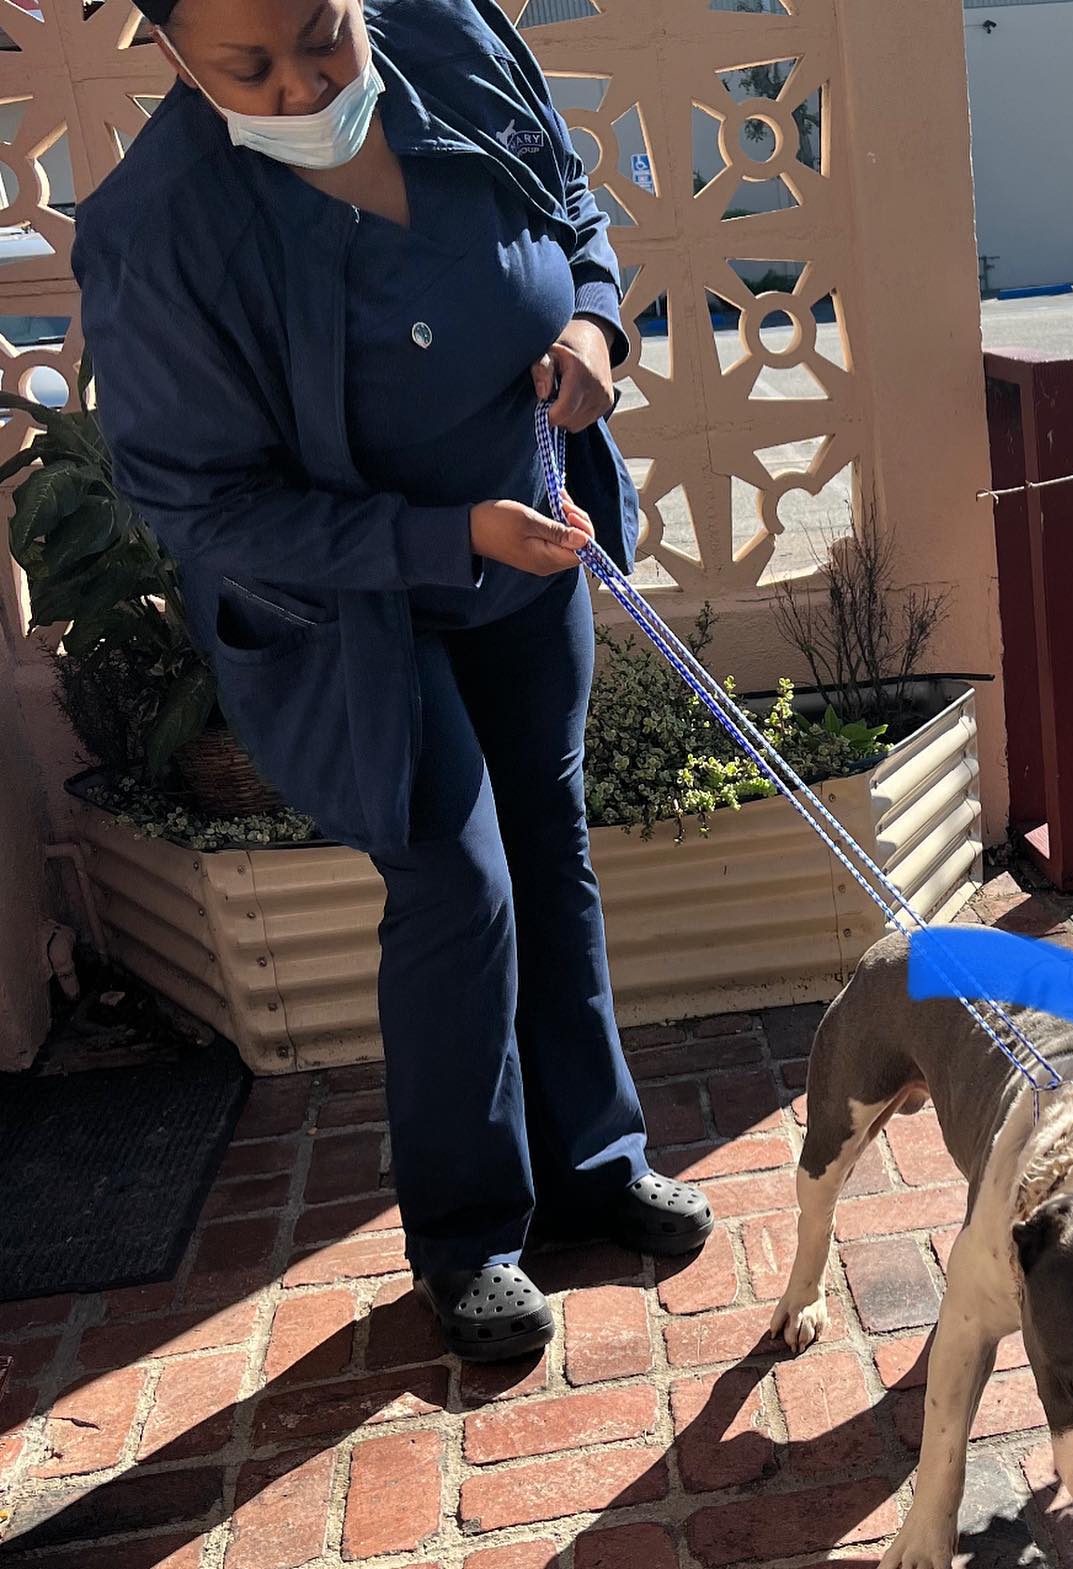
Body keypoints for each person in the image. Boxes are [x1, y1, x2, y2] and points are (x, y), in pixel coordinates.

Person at [72, 0, 711, 1363]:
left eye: (325, 31)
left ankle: (594, 1161)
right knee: (455, 876)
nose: (308, 80)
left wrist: (594, 330)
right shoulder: (157, 229)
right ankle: (470, 1231)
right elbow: (209, 509)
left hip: (530, 548)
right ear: (171, 49)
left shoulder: (451, 34)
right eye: (252, 64)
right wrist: (443, 537)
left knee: (549, 841)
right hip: (348, 612)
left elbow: (570, 199)